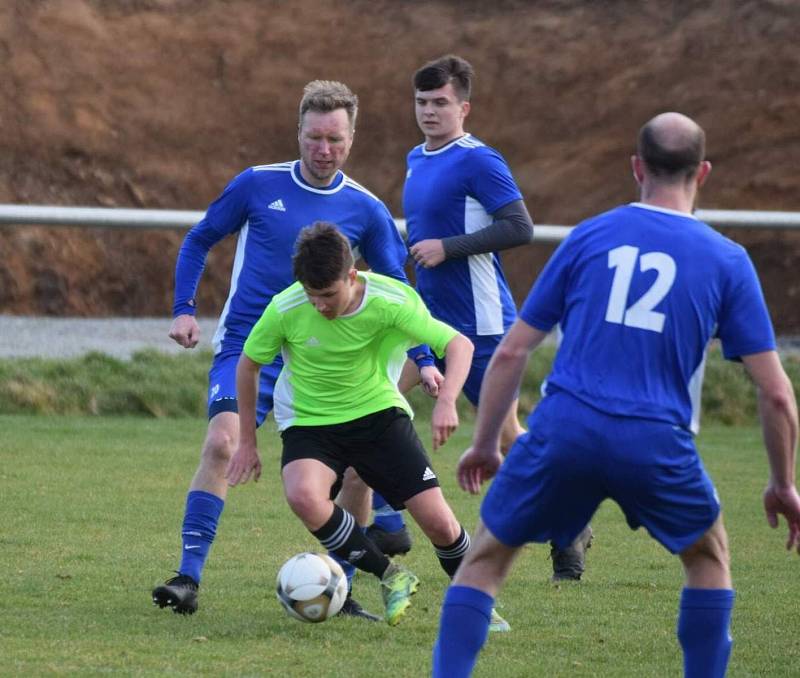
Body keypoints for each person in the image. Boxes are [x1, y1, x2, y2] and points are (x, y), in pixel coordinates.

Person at [431, 112, 800, 677]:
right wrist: (782, 483)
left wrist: (485, 444)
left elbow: (510, 352)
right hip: (656, 441)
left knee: (483, 561)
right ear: (703, 172)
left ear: (636, 168)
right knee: (708, 559)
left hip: (564, 429)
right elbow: (776, 394)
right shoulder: (727, 259)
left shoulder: (590, 236)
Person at [151, 80, 440, 621]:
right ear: (298, 132)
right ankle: (188, 577)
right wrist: (183, 308)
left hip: (328, 361)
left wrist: (423, 357)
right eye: (314, 137)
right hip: (251, 345)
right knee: (221, 443)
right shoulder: (256, 185)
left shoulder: (367, 209)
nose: (323, 150)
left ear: (352, 138)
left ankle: (345, 590)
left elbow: (399, 292)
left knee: (355, 472)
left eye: (335, 139)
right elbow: (198, 238)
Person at [396, 53, 591, 583]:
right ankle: (383, 528)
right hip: (426, 324)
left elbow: (520, 226)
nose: (430, 112)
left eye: (440, 103)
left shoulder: (481, 160)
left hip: (480, 328)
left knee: (507, 441)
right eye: (421, 102)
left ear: (464, 106)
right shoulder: (417, 158)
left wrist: (448, 248)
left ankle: (568, 524)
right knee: (376, 403)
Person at [226, 222, 478, 626]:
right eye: (311, 296)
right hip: (309, 420)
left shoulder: (392, 299)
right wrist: (246, 443)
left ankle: (478, 606)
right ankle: (390, 575)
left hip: (377, 414)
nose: (320, 306)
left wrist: (447, 402)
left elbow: (458, 345)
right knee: (304, 495)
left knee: (439, 523)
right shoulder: (287, 307)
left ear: (351, 275)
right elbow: (248, 365)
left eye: (327, 295)